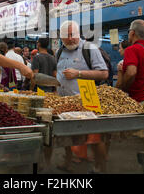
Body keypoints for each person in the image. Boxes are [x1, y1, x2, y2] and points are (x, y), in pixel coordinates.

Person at [56, 20, 108, 174]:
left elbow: (103, 73)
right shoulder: (60, 51)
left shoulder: (89, 48)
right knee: (66, 135)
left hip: (87, 101)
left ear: (78, 34)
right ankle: (68, 162)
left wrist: (78, 73)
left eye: (72, 35)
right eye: (66, 36)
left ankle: (101, 167)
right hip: (65, 102)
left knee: (94, 137)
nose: (70, 39)